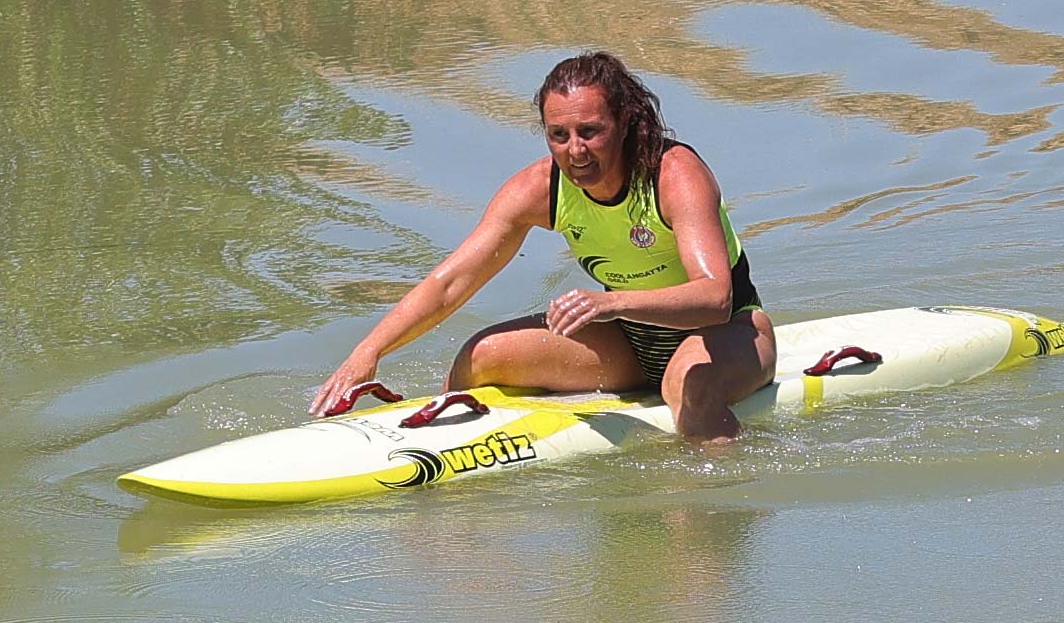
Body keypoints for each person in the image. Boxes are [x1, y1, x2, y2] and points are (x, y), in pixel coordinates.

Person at [310, 51, 777, 440]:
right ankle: (434, 449)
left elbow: (714, 298)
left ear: (626, 123)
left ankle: (709, 523)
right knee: (482, 355)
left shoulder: (673, 175)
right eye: (559, 135)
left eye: (591, 131)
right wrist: (367, 353)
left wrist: (612, 303)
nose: (575, 150)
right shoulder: (539, 190)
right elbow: (451, 282)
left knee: (690, 387)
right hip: (629, 346)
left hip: (728, 335)